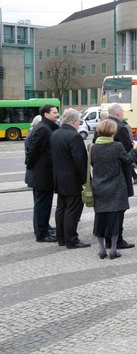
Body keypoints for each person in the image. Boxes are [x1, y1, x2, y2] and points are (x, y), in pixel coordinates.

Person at [91, 119, 137, 259]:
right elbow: (127, 160)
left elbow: (93, 164)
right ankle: (113, 249)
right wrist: (135, 149)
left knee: (100, 217)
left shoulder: (93, 147)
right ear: (113, 132)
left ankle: (101, 249)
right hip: (116, 186)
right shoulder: (117, 146)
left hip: (99, 186)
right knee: (115, 217)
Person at [50, 108, 90, 248]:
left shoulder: (55, 134)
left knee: (61, 208)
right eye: (79, 121)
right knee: (72, 210)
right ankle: (71, 239)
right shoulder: (74, 136)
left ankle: (61, 238)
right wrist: (86, 180)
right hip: (72, 180)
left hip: (58, 178)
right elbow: (81, 161)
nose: (79, 124)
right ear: (74, 121)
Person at [24, 104, 59, 242]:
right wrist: (31, 166)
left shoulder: (47, 127)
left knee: (44, 204)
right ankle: (41, 233)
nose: (57, 114)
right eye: (54, 112)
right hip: (41, 174)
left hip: (43, 174)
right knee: (42, 204)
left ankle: (44, 227)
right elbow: (33, 151)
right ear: (46, 114)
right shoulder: (44, 129)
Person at [107, 103, 136, 249]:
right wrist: (135, 149)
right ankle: (117, 239)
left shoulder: (103, 126)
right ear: (118, 113)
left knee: (107, 208)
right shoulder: (121, 127)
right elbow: (127, 151)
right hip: (120, 174)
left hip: (105, 174)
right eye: (122, 113)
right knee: (119, 207)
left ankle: (108, 237)